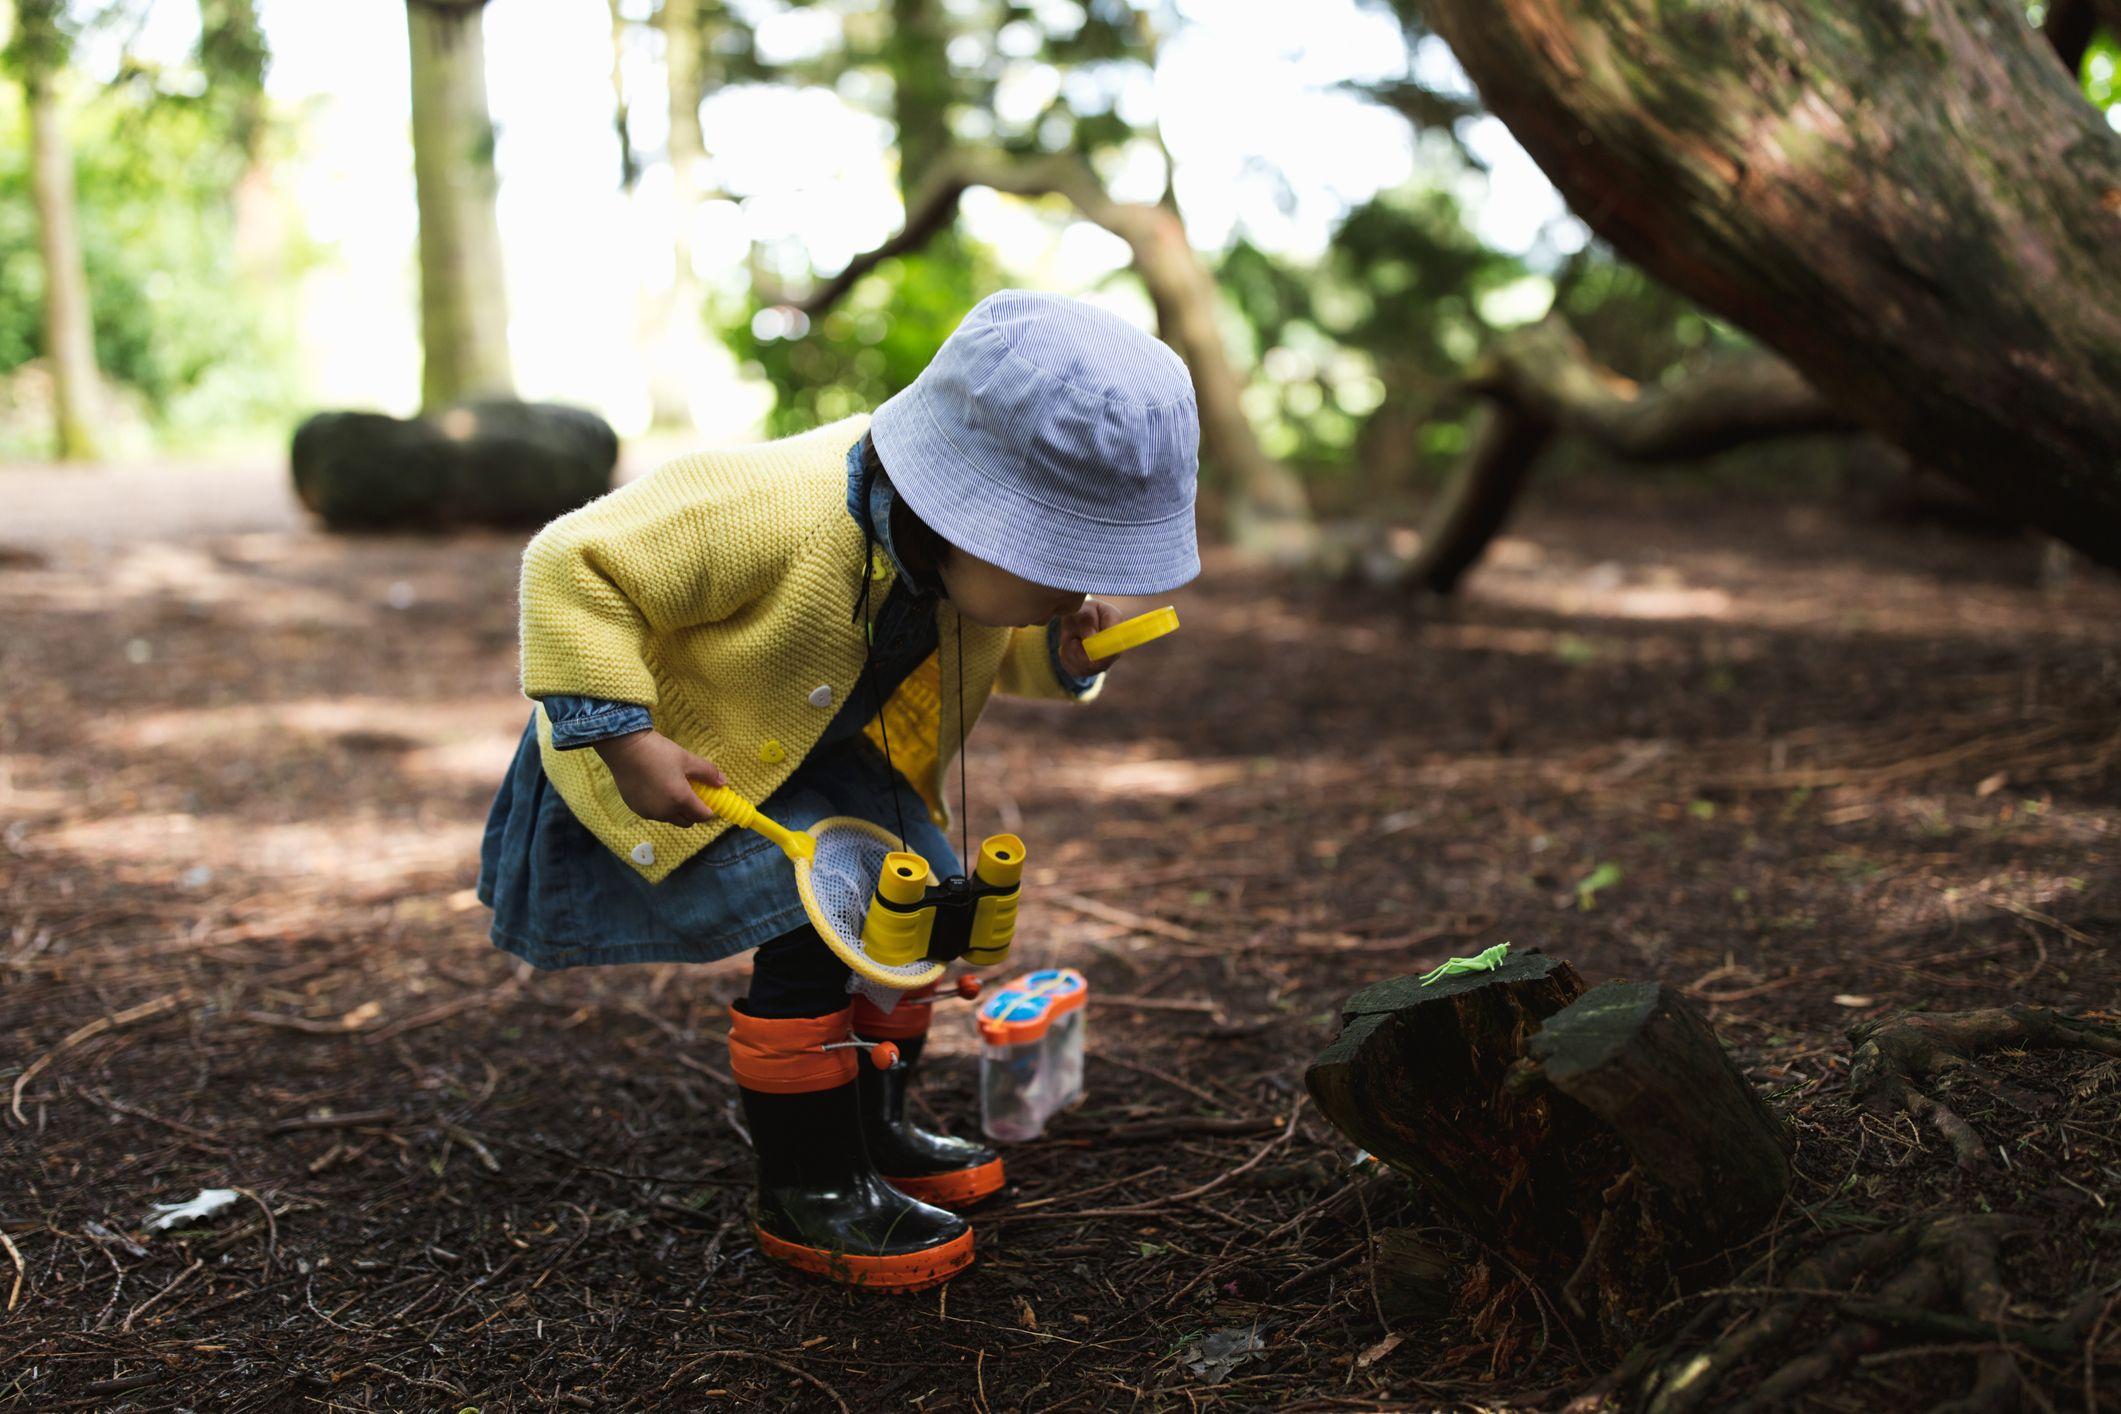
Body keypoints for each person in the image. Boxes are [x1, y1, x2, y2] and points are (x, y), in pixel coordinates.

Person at [477, 290, 1201, 1290]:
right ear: (967, 514)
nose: (1079, 590)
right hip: (700, 749)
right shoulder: (764, 507)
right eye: (1061, 566)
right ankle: (810, 1184)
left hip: (842, 751)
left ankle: (877, 1126)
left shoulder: (961, 560)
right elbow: (573, 565)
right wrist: (626, 733)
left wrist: (1064, 646)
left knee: (921, 909)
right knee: (823, 919)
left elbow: (989, 648)